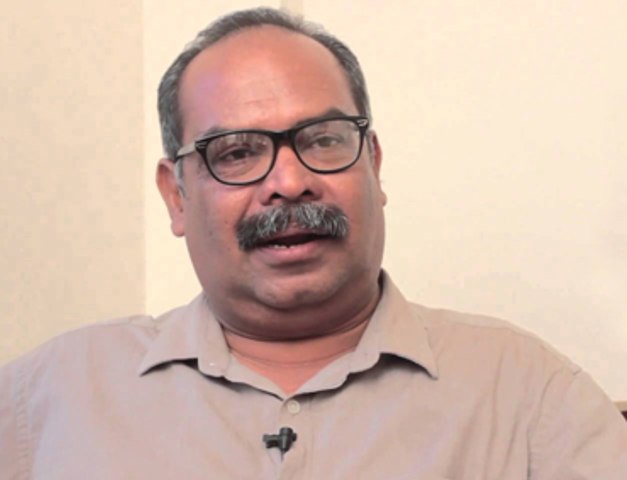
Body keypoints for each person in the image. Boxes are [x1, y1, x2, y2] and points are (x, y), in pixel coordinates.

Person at [1, 7, 626, 479]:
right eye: (237, 152)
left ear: (373, 164)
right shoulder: (46, 401)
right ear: (177, 196)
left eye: (323, 140)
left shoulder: (532, 397)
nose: (289, 182)